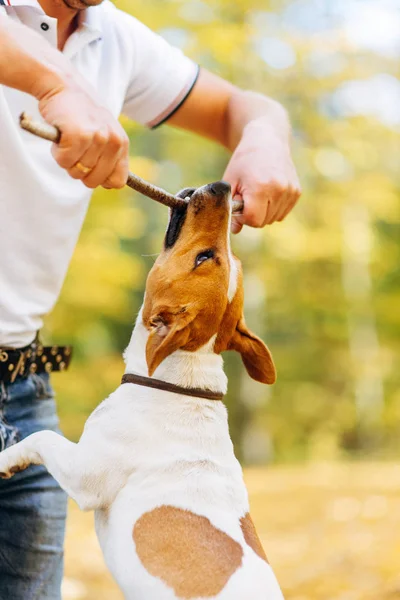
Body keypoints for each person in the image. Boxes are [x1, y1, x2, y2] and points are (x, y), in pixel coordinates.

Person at [0, 0, 301, 597]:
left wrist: (265, 136)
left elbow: (246, 107)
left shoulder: (114, 38)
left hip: (22, 377)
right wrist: (55, 83)